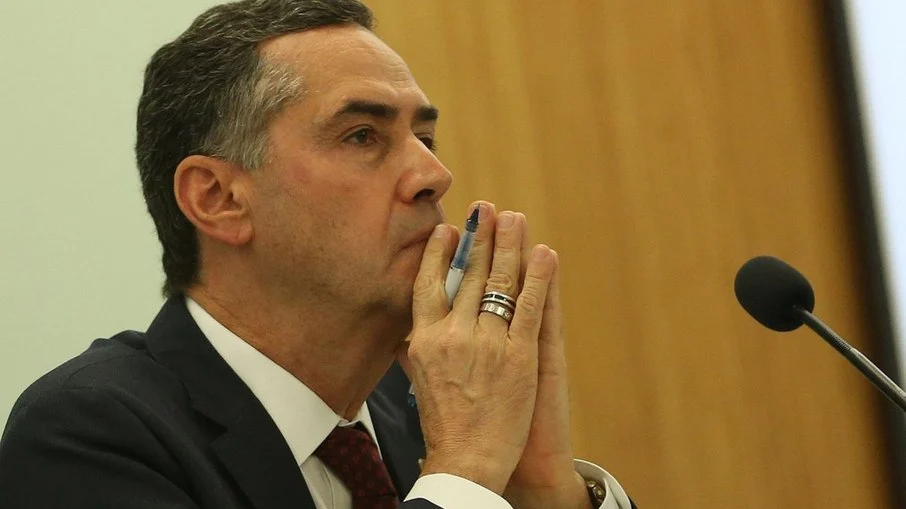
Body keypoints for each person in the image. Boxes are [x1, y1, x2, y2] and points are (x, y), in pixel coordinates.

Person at [0, 1, 635, 508]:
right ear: (218, 199)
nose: (433, 175)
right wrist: (465, 470)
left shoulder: (425, 409)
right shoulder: (91, 433)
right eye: (362, 135)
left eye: (425, 137)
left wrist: (542, 489)